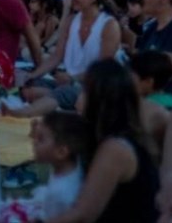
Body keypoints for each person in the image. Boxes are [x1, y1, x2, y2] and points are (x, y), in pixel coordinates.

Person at [49, 59, 159, 223]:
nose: (79, 97)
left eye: (84, 90)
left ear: (97, 99)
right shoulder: (117, 134)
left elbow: (83, 214)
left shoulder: (116, 148)